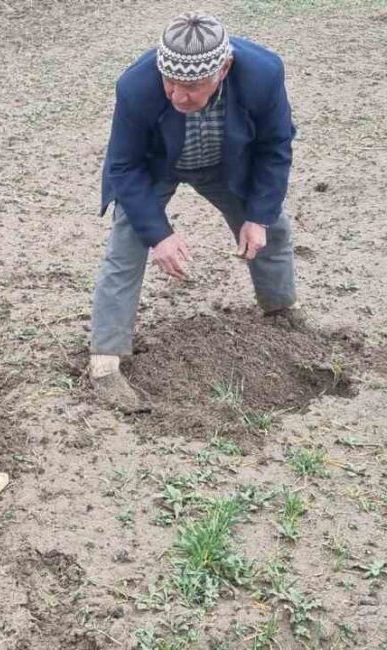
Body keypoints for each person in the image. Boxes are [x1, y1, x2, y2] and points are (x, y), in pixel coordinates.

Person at [89, 12, 303, 412]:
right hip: (156, 166)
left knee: (272, 229)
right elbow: (123, 165)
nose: (177, 96)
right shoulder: (136, 85)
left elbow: (276, 146)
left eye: (192, 87)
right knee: (126, 246)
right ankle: (105, 360)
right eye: (170, 82)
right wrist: (160, 235)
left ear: (223, 69)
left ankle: (281, 313)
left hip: (226, 163)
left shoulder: (263, 73)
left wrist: (257, 217)